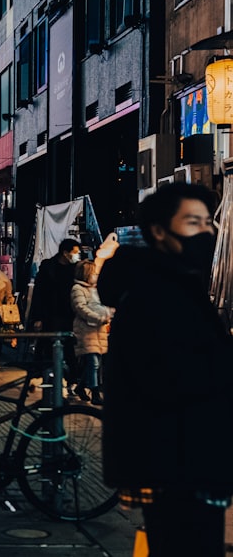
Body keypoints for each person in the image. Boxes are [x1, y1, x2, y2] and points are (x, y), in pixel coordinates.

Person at [98, 182, 233, 555]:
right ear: (159, 231)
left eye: (208, 222)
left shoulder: (174, 285)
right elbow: (170, 379)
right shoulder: (154, 294)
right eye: (193, 222)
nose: (206, 232)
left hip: (186, 461)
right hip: (179, 465)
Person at [29, 238, 82, 384]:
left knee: (70, 346)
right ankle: (45, 375)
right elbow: (39, 294)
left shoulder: (76, 268)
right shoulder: (48, 267)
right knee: (47, 344)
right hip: (50, 314)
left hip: (69, 314)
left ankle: (71, 377)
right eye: (75, 252)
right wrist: (37, 317)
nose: (77, 255)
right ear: (65, 253)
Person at [69, 259, 111, 404]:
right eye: (93, 272)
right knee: (93, 361)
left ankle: (81, 387)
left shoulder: (95, 289)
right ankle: (95, 392)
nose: (95, 275)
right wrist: (98, 317)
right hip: (86, 329)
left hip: (98, 330)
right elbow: (80, 307)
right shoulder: (78, 289)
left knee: (95, 362)